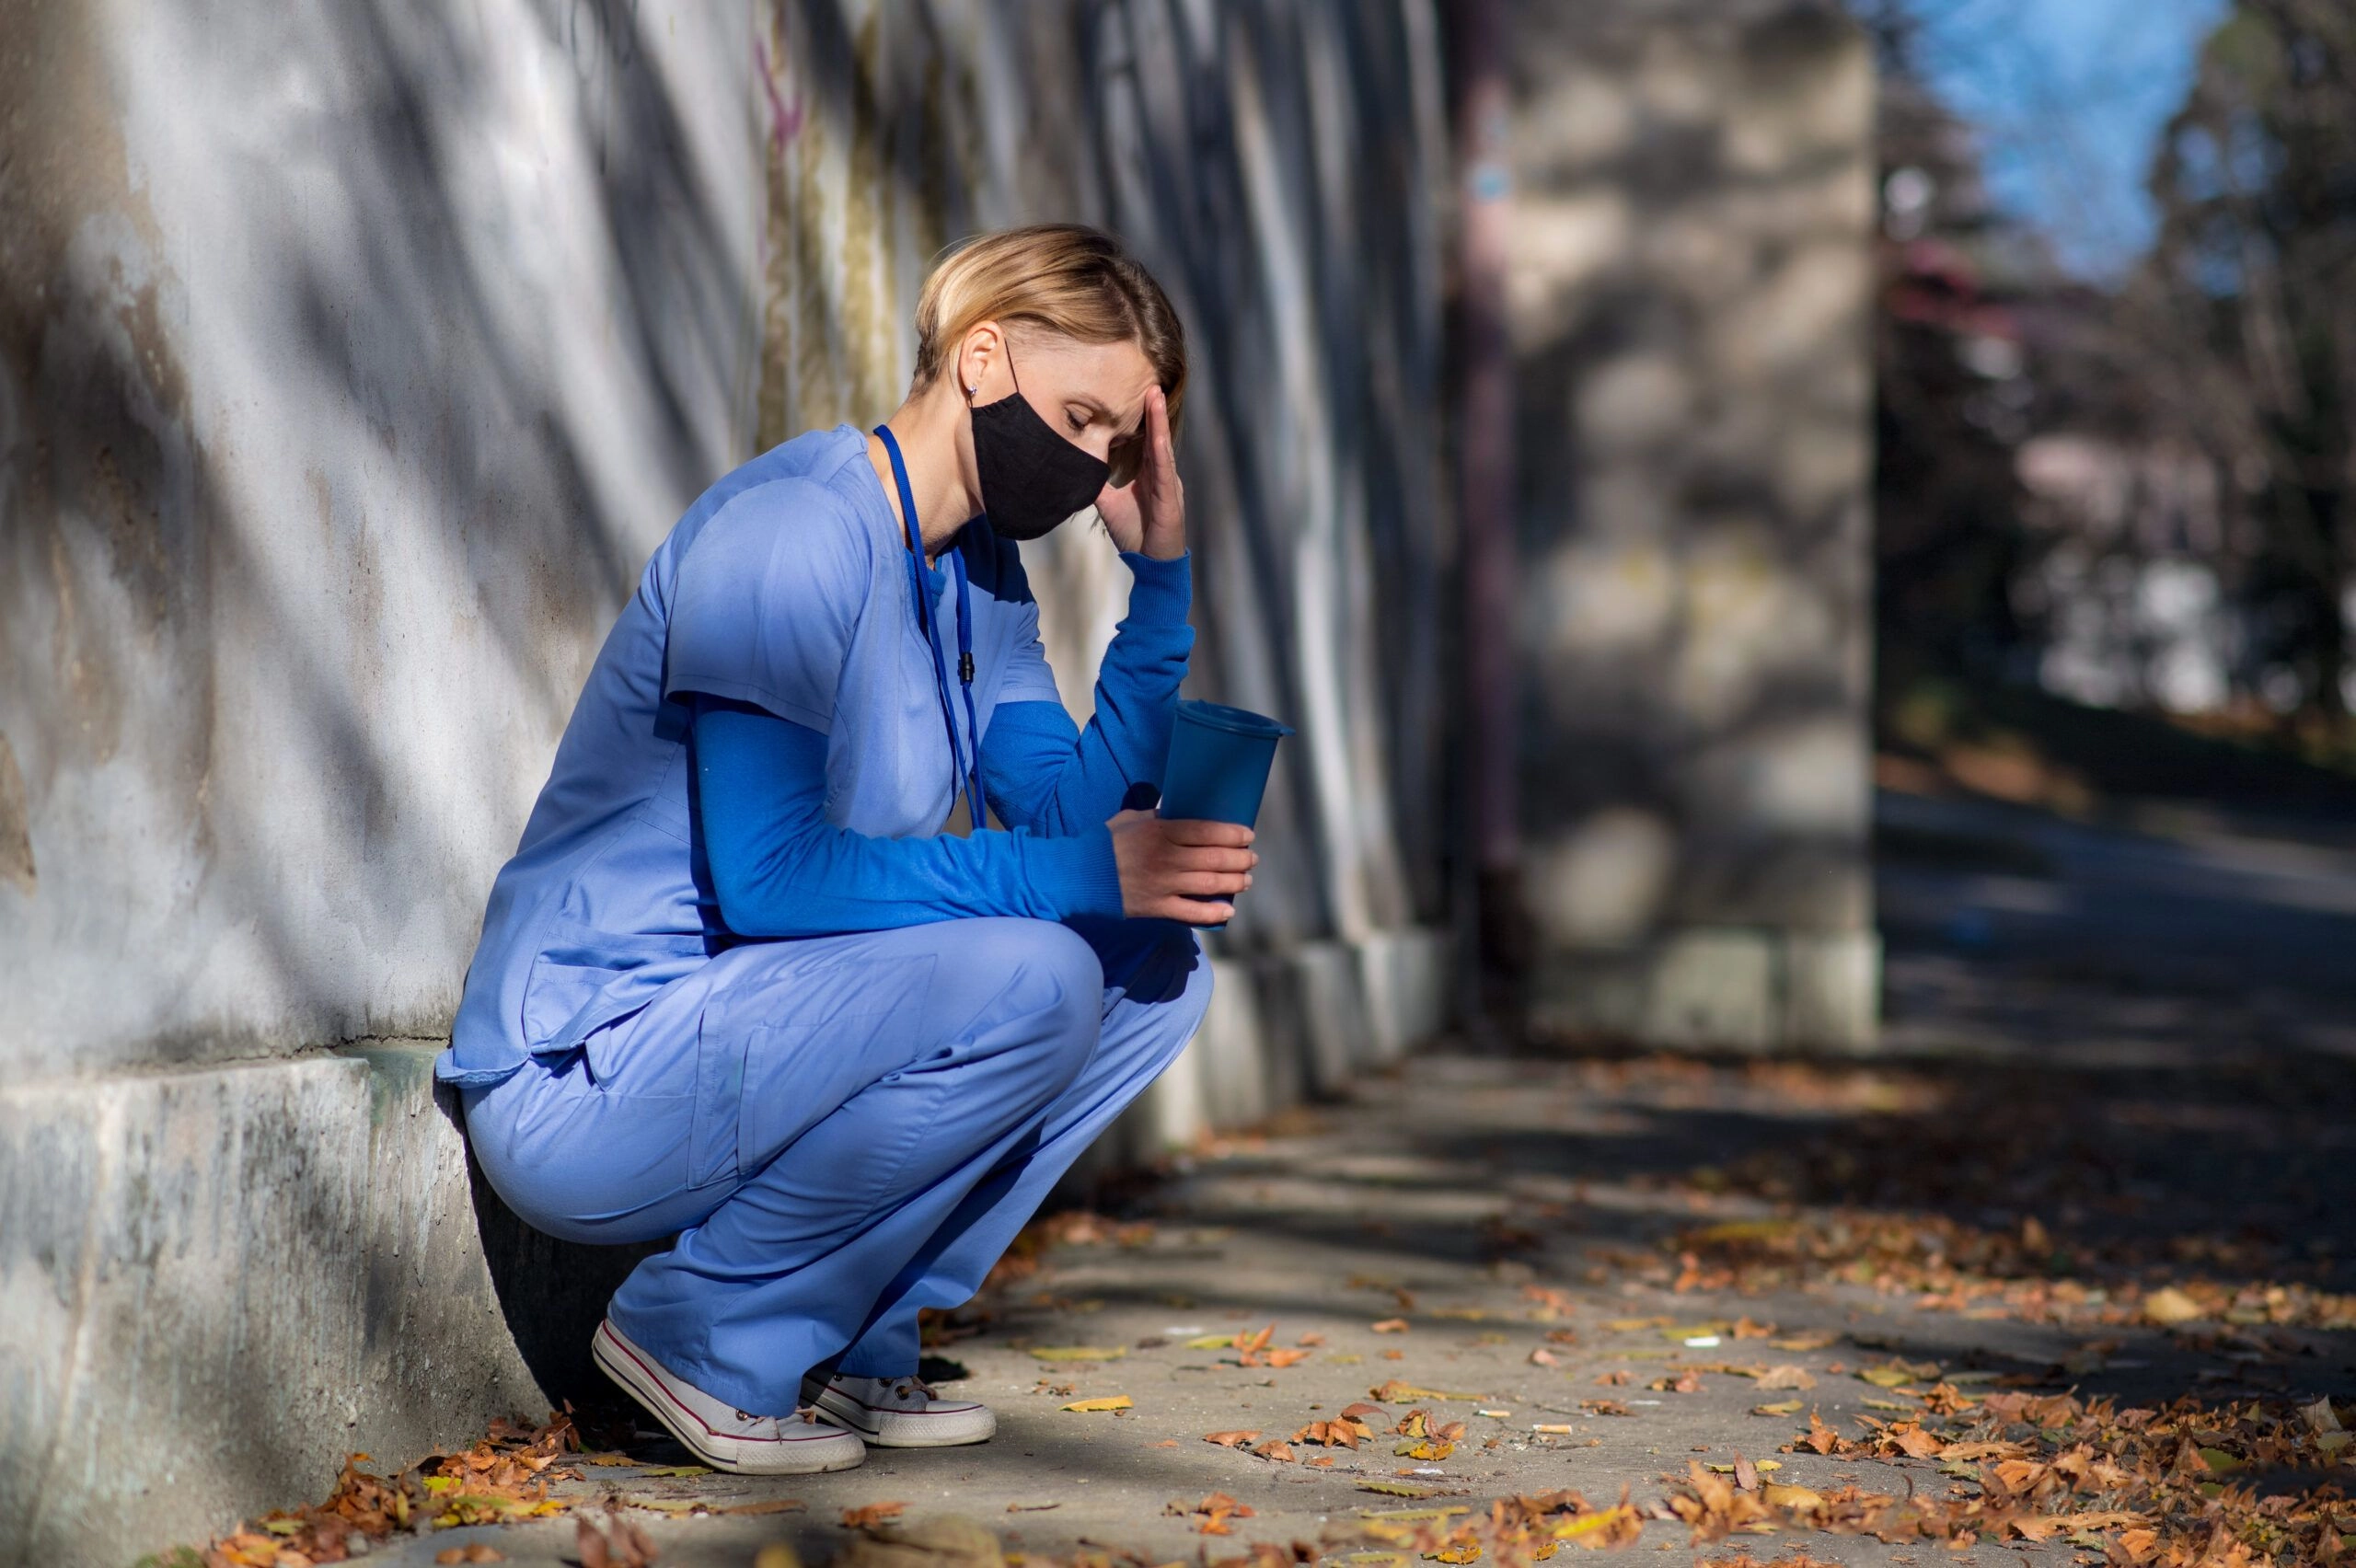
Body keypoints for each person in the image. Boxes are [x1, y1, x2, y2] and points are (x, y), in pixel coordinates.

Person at [439, 225, 1255, 1474]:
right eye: (1085, 419)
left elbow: (1058, 817)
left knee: (1154, 968)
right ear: (982, 358)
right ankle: (703, 1333)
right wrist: (1085, 874)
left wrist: (1160, 589)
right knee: (1039, 968)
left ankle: (862, 1325)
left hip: (745, 1039)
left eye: (1117, 444)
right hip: (590, 1075)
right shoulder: (793, 537)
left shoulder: (978, 576)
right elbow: (769, 880)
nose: (1095, 469)